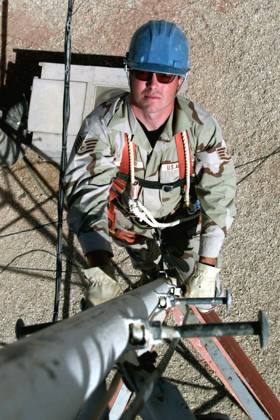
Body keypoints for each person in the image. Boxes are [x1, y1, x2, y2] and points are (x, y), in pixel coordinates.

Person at [65, 20, 236, 309]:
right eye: (144, 73)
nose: (153, 83)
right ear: (130, 73)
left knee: (190, 281)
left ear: (181, 80)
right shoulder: (104, 127)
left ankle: (181, 273)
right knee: (146, 261)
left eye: (165, 76)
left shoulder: (200, 127)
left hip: (183, 221)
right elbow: (86, 196)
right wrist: (100, 267)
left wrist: (208, 264)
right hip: (132, 221)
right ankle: (150, 270)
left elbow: (219, 192)